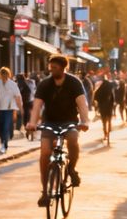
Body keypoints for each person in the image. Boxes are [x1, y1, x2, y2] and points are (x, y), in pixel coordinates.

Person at [26, 55, 90, 207]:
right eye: (50, 67)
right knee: (45, 153)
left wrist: (85, 121)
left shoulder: (74, 82)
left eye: (54, 67)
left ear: (63, 68)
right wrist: (32, 123)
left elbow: (82, 103)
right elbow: (37, 106)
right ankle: (45, 192)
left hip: (69, 121)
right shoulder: (45, 84)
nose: (51, 70)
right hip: (50, 122)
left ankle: (72, 169)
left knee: (73, 138)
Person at [0, 67, 23, 154]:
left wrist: (20, 108)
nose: (4, 75)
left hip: (9, 109)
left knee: (5, 127)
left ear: (8, 74)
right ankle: (4, 143)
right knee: (0, 128)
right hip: (0, 109)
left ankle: (4, 145)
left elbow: (17, 97)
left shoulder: (12, 84)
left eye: (5, 73)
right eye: (2, 73)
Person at [94, 73, 116, 145]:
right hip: (109, 107)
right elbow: (113, 98)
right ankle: (109, 127)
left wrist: (99, 103)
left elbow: (96, 96)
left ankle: (105, 133)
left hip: (102, 107)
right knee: (109, 118)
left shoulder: (100, 88)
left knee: (104, 121)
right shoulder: (110, 88)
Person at [16, 72, 34, 141]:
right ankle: (29, 133)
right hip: (29, 103)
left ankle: (27, 131)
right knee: (28, 119)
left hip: (24, 104)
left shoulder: (20, 85)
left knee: (24, 119)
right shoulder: (28, 83)